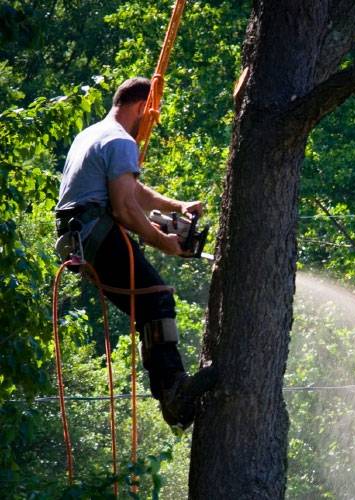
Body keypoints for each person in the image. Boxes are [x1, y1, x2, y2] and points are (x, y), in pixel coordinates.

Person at [55, 77, 216, 429]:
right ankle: (172, 394)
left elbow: (133, 190)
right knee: (157, 299)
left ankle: (169, 395)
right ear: (142, 106)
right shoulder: (120, 141)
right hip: (95, 230)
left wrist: (178, 205)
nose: (151, 121)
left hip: (78, 236)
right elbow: (126, 208)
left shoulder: (93, 134)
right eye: (152, 113)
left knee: (149, 309)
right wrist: (165, 243)